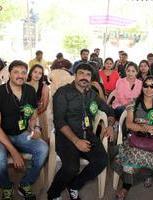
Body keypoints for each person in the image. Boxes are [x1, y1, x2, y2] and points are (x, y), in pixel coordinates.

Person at [47, 63, 115, 200]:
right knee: (71, 168)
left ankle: (74, 185)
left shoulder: (92, 94)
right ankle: (53, 193)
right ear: (75, 75)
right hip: (67, 137)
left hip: (87, 135)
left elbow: (109, 111)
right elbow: (59, 121)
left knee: (102, 160)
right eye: (81, 73)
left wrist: (110, 125)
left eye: (88, 74)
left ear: (91, 78)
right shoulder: (62, 93)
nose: (84, 77)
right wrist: (76, 141)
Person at [113, 76, 153, 200]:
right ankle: (125, 187)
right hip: (136, 140)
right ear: (142, 87)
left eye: (152, 86)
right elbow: (129, 124)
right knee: (128, 161)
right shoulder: (134, 103)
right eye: (146, 85)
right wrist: (146, 128)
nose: (149, 89)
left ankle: (148, 174)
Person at [0, 60, 48, 200]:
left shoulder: (29, 90)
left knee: (43, 148)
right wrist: (14, 152)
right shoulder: (1, 92)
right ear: (9, 73)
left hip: (21, 134)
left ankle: (25, 183)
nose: (20, 75)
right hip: (3, 137)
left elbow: (32, 114)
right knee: (0, 158)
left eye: (23, 72)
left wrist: (35, 128)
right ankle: (6, 186)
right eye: (16, 72)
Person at [27, 64, 50, 141]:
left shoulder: (44, 87)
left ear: (42, 75)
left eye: (40, 73)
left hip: (39, 114)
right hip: (25, 114)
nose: (37, 75)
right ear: (31, 73)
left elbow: (45, 106)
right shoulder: (24, 85)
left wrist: (34, 116)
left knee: (41, 139)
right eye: (35, 72)